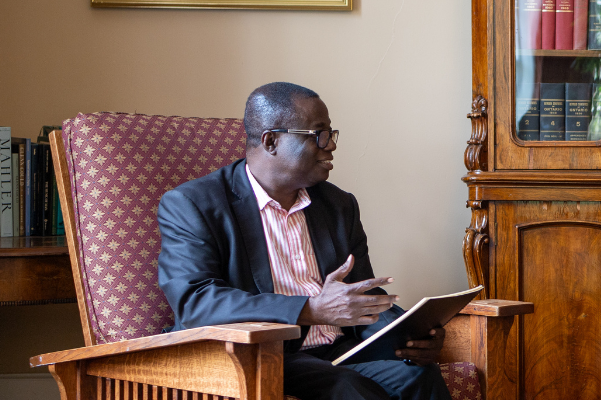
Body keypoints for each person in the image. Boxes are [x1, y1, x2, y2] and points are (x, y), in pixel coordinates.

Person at [157, 82, 452, 400]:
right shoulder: (193, 204)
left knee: (418, 376)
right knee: (348, 389)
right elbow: (195, 303)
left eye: (331, 134)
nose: (331, 146)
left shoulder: (339, 205)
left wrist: (407, 335)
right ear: (272, 141)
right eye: (318, 135)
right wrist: (309, 309)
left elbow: (362, 293)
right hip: (262, 356)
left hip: (339, 349)